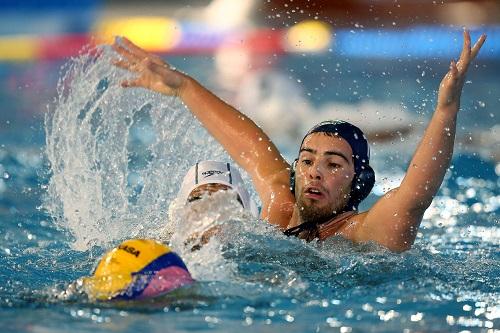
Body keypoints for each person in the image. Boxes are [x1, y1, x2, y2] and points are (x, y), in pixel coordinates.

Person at [112, 30, 486, 252]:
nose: (314, 173)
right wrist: (183, 85)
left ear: (359, 180)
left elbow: (416, 193)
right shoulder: (278, 206)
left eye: (333, 164)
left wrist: (446, 111)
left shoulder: (365, 234)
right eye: (307, 160)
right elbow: (251, 147)